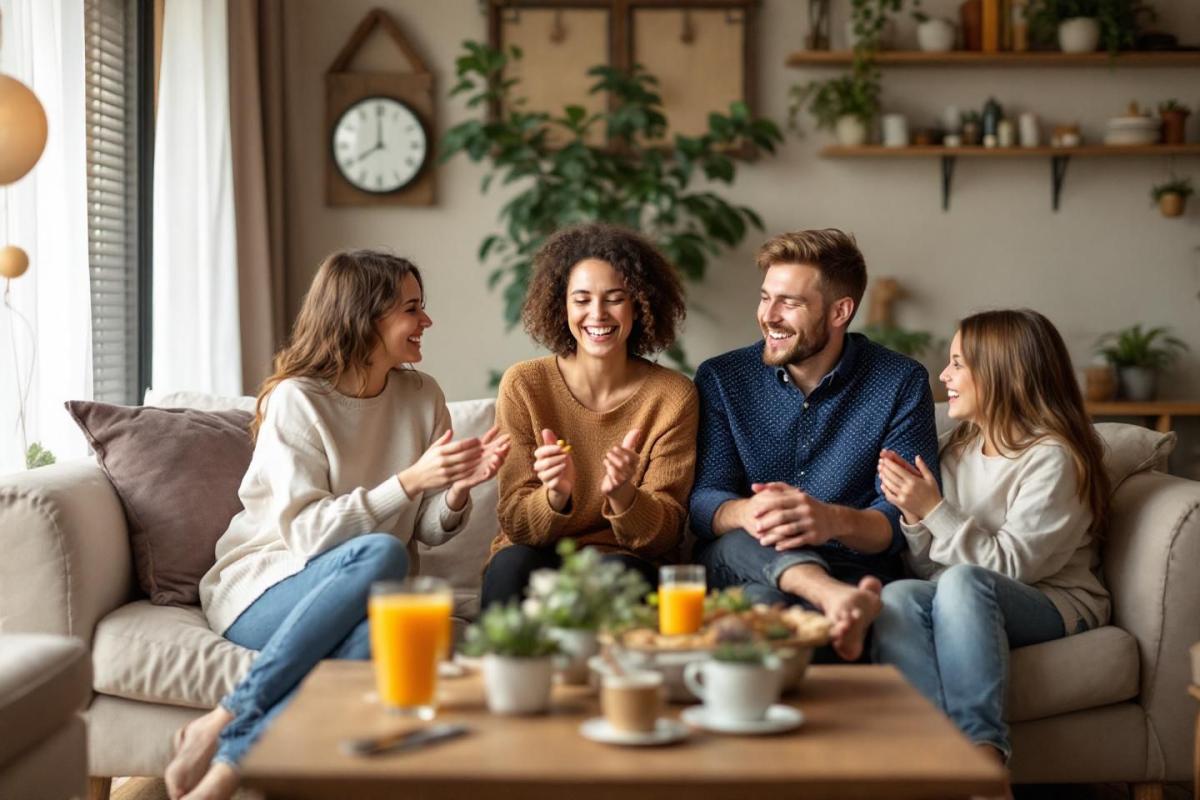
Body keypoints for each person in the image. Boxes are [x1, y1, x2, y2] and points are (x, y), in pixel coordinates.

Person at [165, 250, 510, 800]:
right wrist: (411, 480)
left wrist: (459, 490)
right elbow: (307, 536)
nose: (426, 322)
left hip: (362, 593)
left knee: (380, 635)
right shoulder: (297, 401)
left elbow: (424, 528)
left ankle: (227, 767)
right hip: (265, 587)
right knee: (381, 554)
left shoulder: (423, 397)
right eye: (411, 309)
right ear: (363, 318)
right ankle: (228, 715)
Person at [872, 309, 1110, 778]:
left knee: (962, 581)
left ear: (1004, 373)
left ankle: (983, 762)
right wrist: (914, 515)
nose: (944, 375)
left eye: (958, 363)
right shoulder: (953, 448)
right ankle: (926, 756)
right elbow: (928, 573)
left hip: (1056, 602)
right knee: (896, 595)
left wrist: (936, 508)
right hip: (969, 592)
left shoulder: (1052, 457)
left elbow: (1012, 567)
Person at [689, 229, 939, 662]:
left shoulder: (899, 382)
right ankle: (830, 596)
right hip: (745, 560)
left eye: (790, 302)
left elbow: (898, 520)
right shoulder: (722, 379)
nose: (769, 315)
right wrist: (751, 512)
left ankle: (831, 603)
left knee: (777, 617)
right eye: (766, 298)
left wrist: (831, 520)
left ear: (840, 311)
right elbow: (704, 499)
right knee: (747, 557)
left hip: (852, 569)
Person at [480, 223, 699, 608]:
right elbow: (516, 522)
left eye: (614, 298)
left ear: (640, 304)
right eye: (581, 300)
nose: (597, 314)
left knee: (626, 579)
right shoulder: (525, 385)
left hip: (624, 561)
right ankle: (498, 669)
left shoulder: (672, 396)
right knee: (510, 566)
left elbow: (665, 537)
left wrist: (624, 496)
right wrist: (556, 495)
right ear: (561, 306)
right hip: (535, 555)